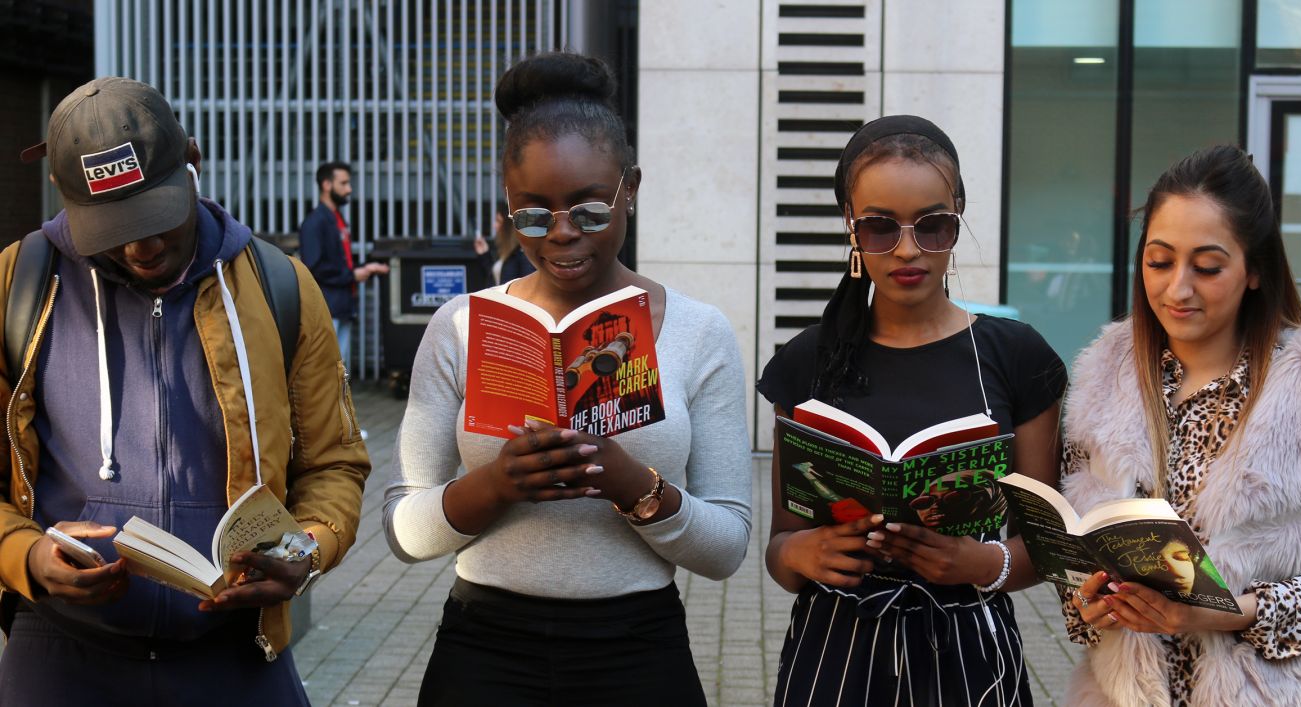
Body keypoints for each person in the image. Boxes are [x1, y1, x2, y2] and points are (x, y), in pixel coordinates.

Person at [382, 52, 752, 707]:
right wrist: (498, 483)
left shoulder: (699, 332)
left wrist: (633, 485)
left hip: (637, 648)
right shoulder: (462, 326)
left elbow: (727, 547)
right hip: (484, 646)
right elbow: (404, 532)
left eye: (588, 211)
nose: (561, 236)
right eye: (532, 214)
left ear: (630, 187)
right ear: (507, 202)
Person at [0, 77, 371, 706]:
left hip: (233, 650)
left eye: (155, 215)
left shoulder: (279, 285)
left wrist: (303, 551)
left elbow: (334, 461)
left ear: (192, 163)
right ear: (67, 199)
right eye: (112, 228)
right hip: (61, 653)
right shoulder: (17, 286)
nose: (141, 246)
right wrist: (24, 555)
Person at [758, 115, 1066, 706]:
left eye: (932, 225)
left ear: (957, 218)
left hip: (969, 648)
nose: (907, 249)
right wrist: (802, 553)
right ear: (851, 226)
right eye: (878, 227)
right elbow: (781, 548)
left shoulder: (1015, 357)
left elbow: (1046, 547)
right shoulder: (808, 363)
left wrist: (980, 561)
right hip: (836, 648)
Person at [1060, 145, 1301, 706]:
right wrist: (1087, 606)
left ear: (1256, 270)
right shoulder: (1104, 378)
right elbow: (1075, 561)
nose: (1178, 289)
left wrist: (1225, 613)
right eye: (1160, 261)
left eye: (1208, 267)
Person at [298, 161, 389, 365]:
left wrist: (363, 269)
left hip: (340, 305)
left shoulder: (335, 219)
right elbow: (314, 268)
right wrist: (353, 275)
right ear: (327, 185)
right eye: (344, 183)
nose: (349, 189)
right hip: (328, 308)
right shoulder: (315, 223)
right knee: (327, 369)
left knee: (337, 369)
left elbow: (338, 263)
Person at [472, 200, 536, 287]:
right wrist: (484, 254)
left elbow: (528, 286)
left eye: (498, 221)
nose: (494, 225)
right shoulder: (506, 250)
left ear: (508, 225)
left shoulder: (522, 253)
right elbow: (495, 280)